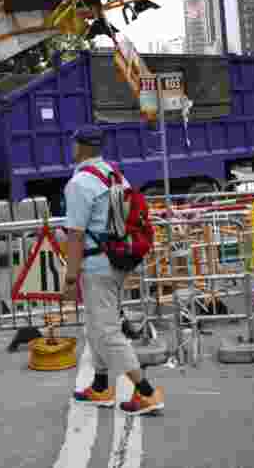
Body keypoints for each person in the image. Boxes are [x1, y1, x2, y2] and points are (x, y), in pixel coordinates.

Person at [62, 125, 164, 415]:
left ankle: (147, 392)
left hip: (97, 266)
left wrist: (70, 277)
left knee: (106, 331)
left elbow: (76, 235)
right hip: (118, 260)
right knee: (96, 325)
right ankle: (100, 387)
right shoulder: (114, 173)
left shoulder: (80, 182)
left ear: (78, 147)